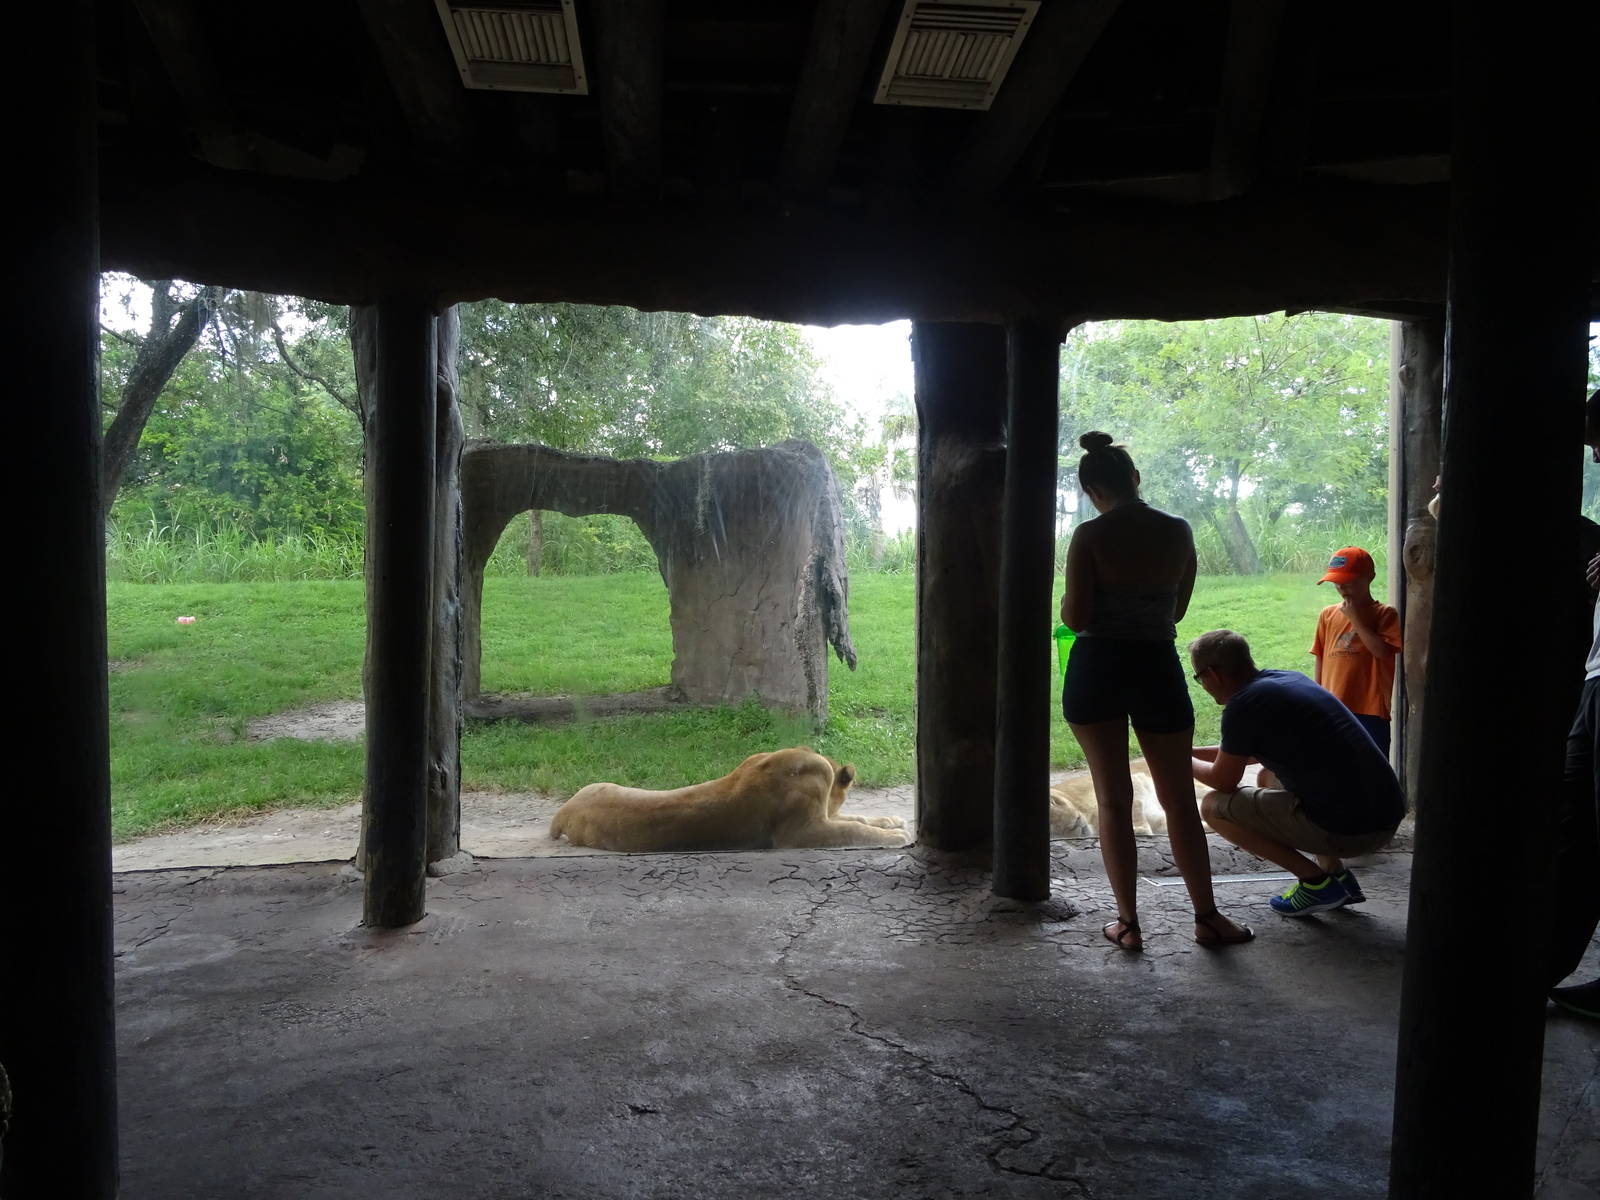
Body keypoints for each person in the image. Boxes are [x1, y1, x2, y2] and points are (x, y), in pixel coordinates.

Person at [1060, 431, 1252, 950]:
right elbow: (1177, 611)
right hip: (1155, 666)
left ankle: (1128, 924)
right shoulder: (1178, 531)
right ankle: (1208, 917)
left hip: (1097, 666)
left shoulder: (1089, 537)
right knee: (1179, 800)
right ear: (1136, 479)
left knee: (1113, 797)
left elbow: (1076, 618)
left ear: (1092, 490)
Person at [1188, 629, 1405, 916]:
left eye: (1198, 678)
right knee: (1268, 776)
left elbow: (1223, 780)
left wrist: (1176, 757)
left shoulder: (1243, 705)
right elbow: (1247, 750)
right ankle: (1338, 878)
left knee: (1214, 807)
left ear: (1213, 674)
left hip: (1354, 833)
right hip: (1384, 816)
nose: (1202, 684)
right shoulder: (1285, 680)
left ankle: (1315, 883)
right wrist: (1188, 751)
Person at [1547, 390, 1600, 1020]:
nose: (1592, 452)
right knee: (1576, 831)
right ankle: (1542, 967)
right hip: (1593, 678)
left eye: (1596, 437)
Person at [1309, 546, 1402, 755]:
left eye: (1348, 581)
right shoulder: (1327, 615)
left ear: (1369, 577)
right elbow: (1320, 658)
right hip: (1333, 707)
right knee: (1335, 765)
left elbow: (1383, 652)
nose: (1342, 588)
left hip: (1370, 710)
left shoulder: (1385, 614)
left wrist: (1355, 620)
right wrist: (1318, 697)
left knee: (1373, 770)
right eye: (1336, 582)